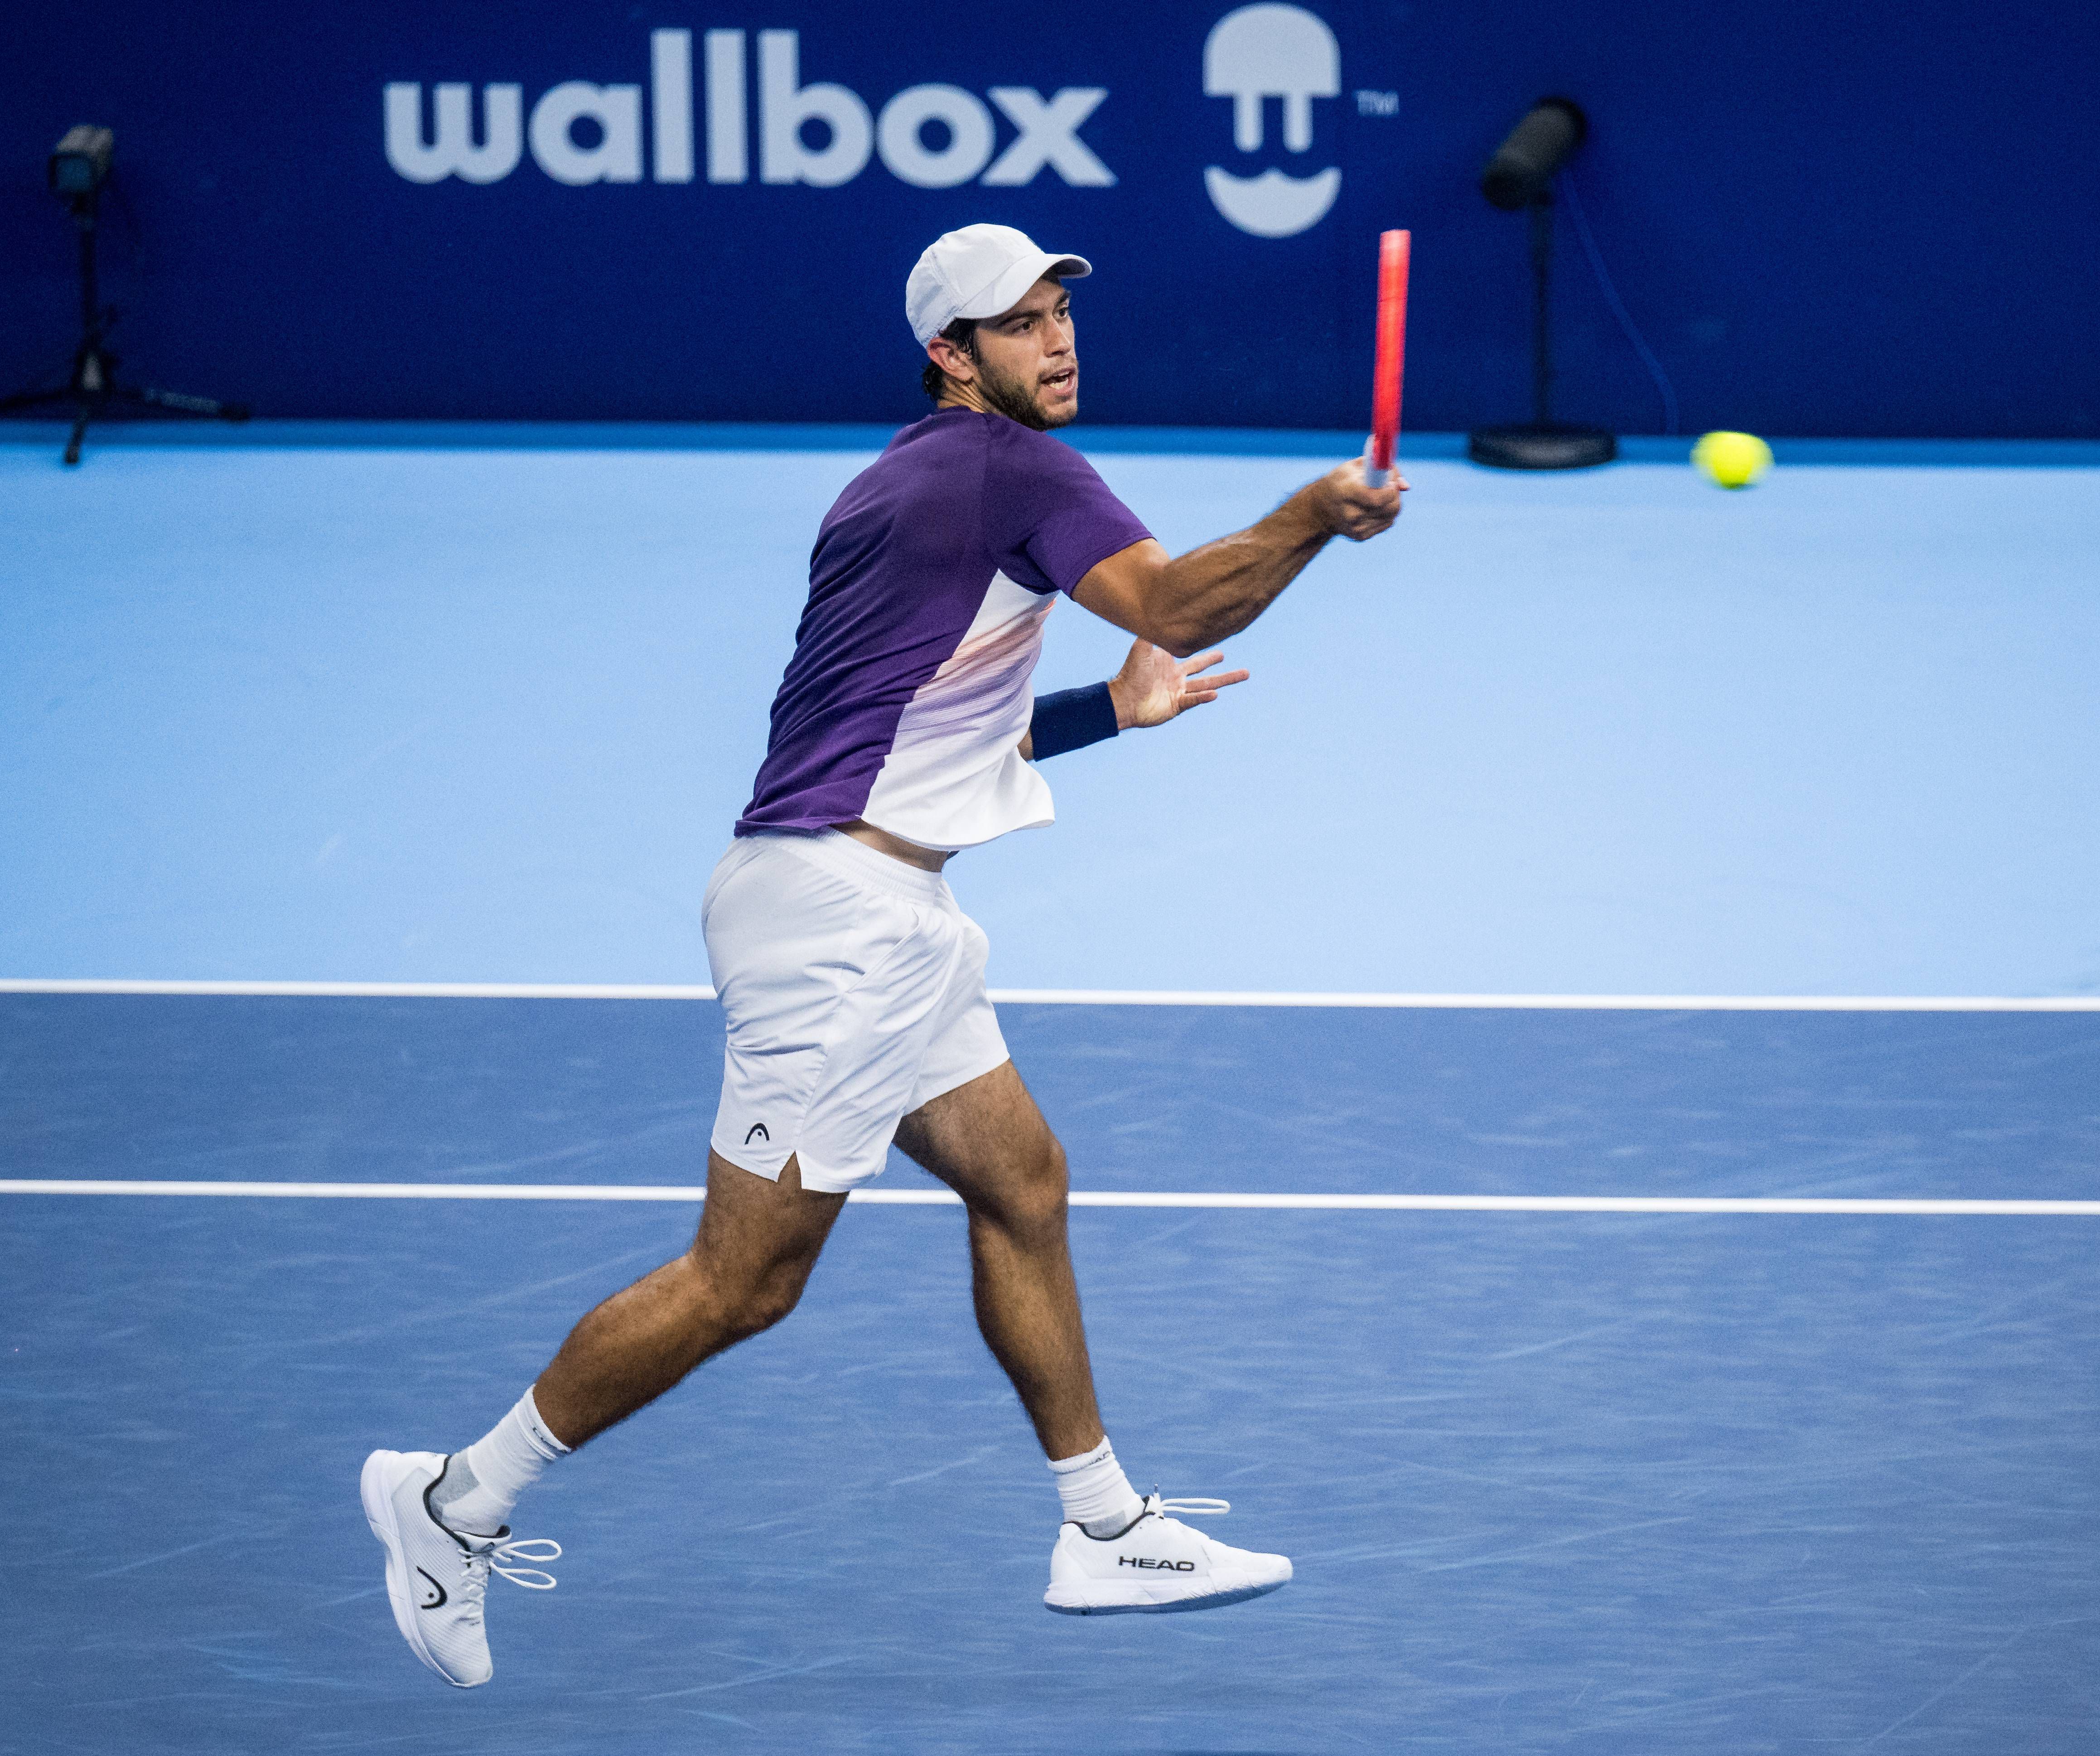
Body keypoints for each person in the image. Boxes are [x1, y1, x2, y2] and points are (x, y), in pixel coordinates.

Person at [360, 223, 1407, 1687]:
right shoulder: (1013, 470)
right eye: (1018, 322)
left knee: (1020, 1177)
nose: (1056, 339)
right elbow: (1180, 601)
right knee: (746, 1280)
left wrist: (1109, 711)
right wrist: (1311, 516)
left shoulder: (894, 489)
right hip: (838, 932)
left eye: (1061, 311)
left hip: (871, 907)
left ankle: (1102, 1525)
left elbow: (902, 738)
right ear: (949, 355)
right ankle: (453, 1503)